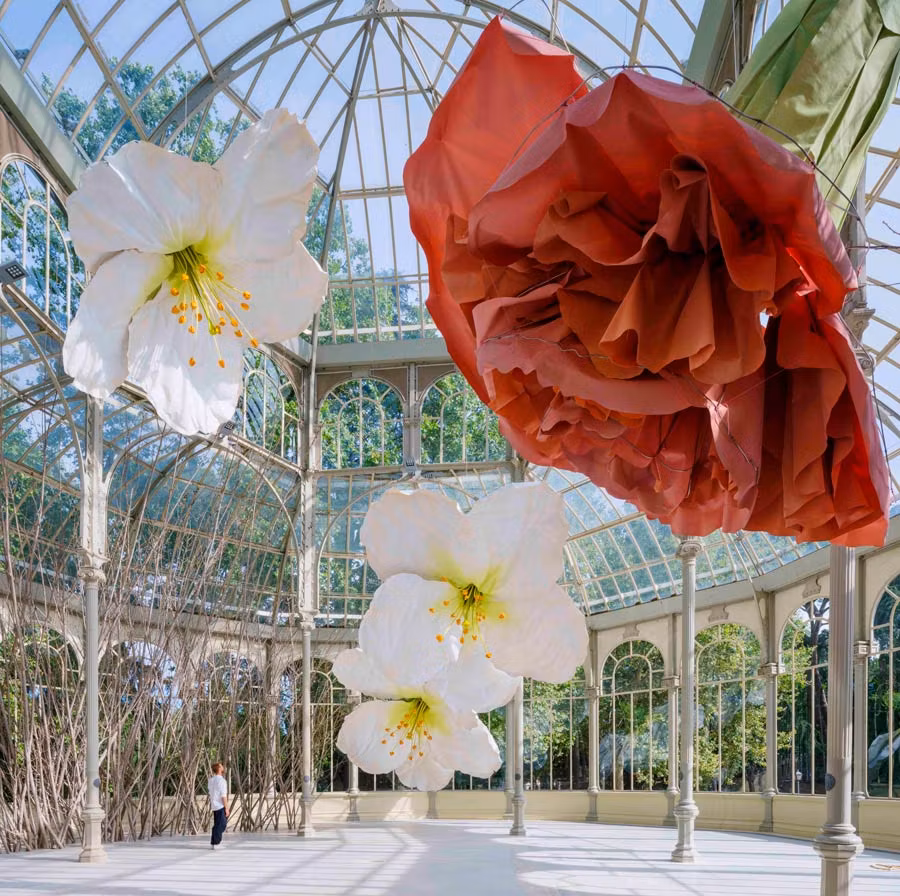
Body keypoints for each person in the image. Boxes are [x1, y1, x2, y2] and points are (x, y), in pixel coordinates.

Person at [208, 762, 229, 850]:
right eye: (221, 766)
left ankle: (214, 842)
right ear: (219, 769)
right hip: (220, 805)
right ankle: (216, 843)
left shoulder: (211, 780)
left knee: (218, 824)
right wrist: (227, 808)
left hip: (214, 805)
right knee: (222, 824)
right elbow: (223, 796)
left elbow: (211, 792)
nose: (223, 767)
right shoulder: (222, 781)